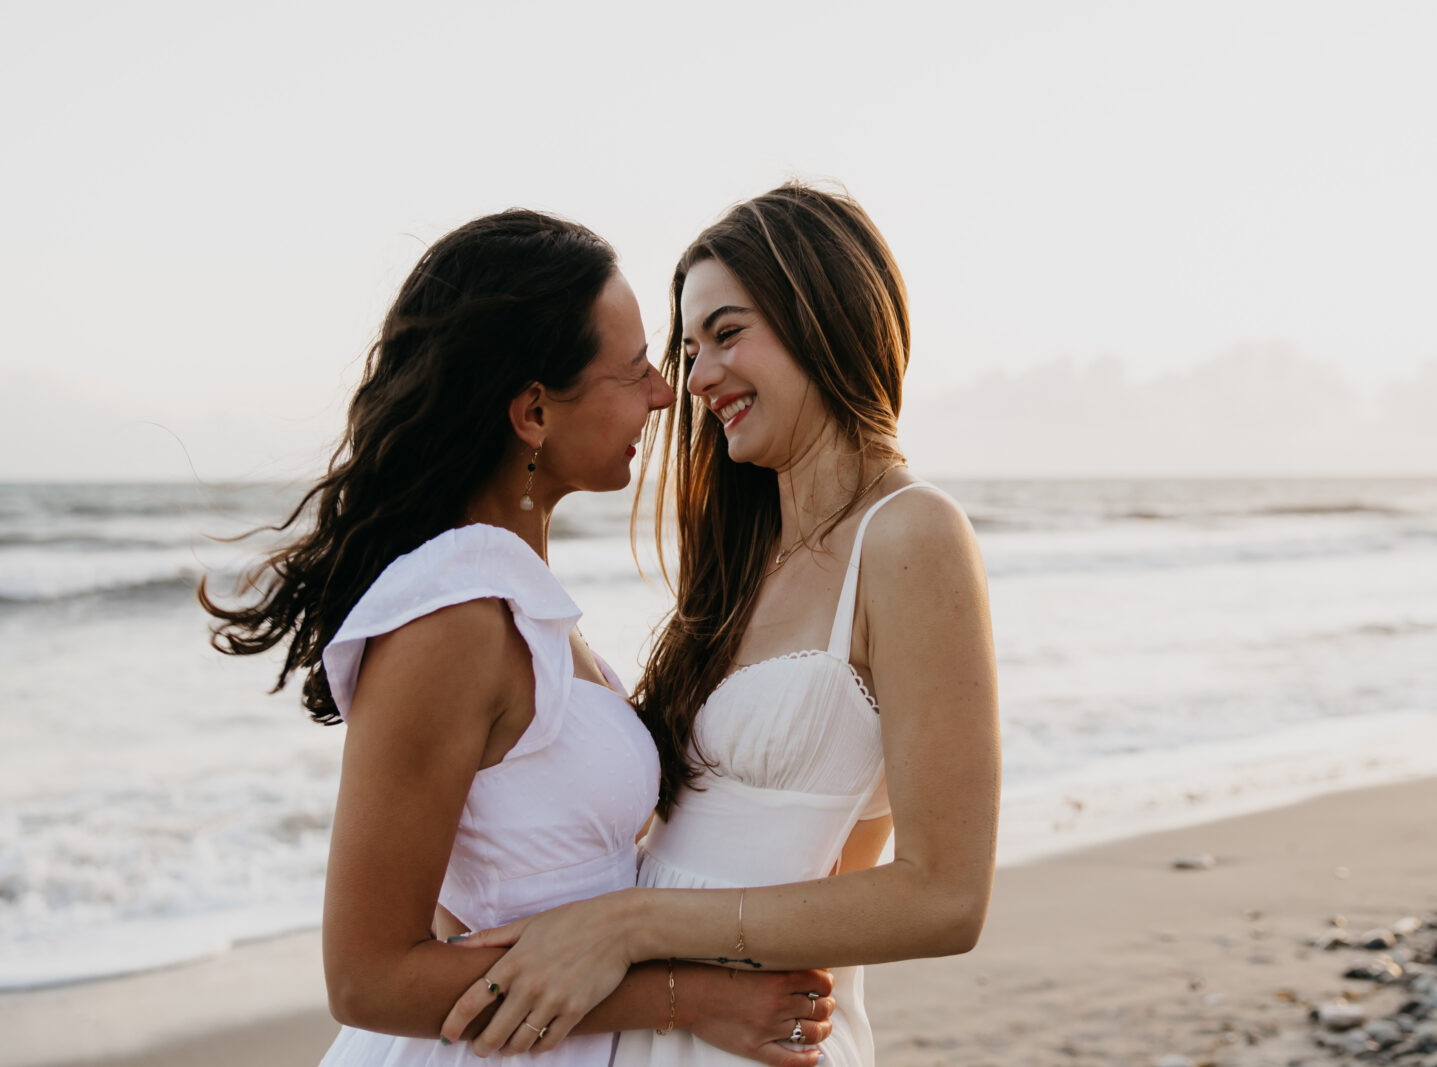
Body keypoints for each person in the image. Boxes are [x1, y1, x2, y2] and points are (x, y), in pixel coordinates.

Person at [200, 209, 838, 1066]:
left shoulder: (512, 596)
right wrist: (692, 998)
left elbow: (471, 888)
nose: (665, 391)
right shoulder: (452, 618)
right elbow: (366, 977)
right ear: (535, 411)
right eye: (636, 368)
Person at [439, 183, 1002, 1066]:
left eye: (728, 334)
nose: (696, 380)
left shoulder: (910, 534)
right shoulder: (744, 558)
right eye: (691, 347)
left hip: (745, 1039)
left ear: (825, 315)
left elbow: (945, 897)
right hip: (660, 1020)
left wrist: (630, 923)